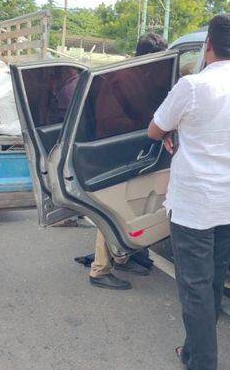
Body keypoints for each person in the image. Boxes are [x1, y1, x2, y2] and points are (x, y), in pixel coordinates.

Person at [147, 14, 230, 370]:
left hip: (194, 204)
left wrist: (171, 132)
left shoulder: (193, 86)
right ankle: (192, 352)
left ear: (208, 44)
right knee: (211, 282)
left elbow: (154, 129)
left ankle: (203, 363)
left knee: (194, 289)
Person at [86, 32, 168, 290]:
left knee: (126, 208)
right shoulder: (129, 79)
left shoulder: (127, 75)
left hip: (115, 146)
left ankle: (121, 256)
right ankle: (99, 270)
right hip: (117, 149)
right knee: (114, 209)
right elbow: (128, 117)